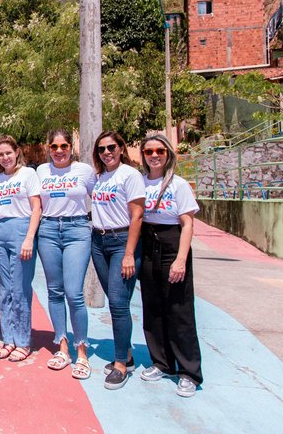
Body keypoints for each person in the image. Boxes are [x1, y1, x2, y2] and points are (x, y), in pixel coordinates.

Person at [139, 134, 203, 398]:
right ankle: (162, 362)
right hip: (147, 241)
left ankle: (188, 372)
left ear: (168, 154)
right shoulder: (140, 182)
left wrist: (180, 258)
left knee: (179, 309)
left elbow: (187, 223)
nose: (154, 155)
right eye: (149, 151)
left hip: (171, 241)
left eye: (159, 151)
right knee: (152, 306)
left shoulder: (178, 185)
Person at [36, 129, 96, 378]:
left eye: (63, 146)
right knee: (54, 291)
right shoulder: (41, 171)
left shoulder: (84, 171)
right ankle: (62, 347)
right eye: (54, 146)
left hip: (77, 229)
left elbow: (99, 198)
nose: (59, 151)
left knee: (74, 293)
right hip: (48, 229)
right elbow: (35, 203)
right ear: (48, 148)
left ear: (71, 147)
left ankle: (81, 351)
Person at [90, 131, 145, 390]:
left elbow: (137, 216)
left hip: (122, 240)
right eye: (102, 149)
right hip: (99, 241)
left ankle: (121, 364)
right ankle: (129, 356)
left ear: (121, 148)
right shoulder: (100, 177)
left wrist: (128, 254)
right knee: (115, 299)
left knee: (119, 303)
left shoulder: (130, 175)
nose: (107, 152)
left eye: (111, 147)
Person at [0, 136, 42, 363]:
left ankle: (23, 341)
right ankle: (8, 339)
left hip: (21, 229)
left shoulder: (28, 174)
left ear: (17, 152)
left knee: (20, 289)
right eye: (0, 154)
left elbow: (37, 208)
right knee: (5, 290)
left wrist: (29, 238)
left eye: (8, 153)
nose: (5, 157)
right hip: (0, 232)